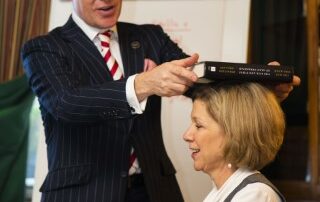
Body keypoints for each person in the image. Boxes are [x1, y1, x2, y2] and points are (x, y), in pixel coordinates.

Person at [21, 0, 299, 201]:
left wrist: (256, 88)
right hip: (83, 192)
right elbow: (65, 104)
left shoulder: (149, 36)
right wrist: (143, 84)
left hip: (154, 188)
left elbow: (200, 85)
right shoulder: (44, 48)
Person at [183, 82, 287, 202]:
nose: (186, 135)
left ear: (234, 133)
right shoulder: (222, 191)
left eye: (198, 125)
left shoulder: (255, 195)